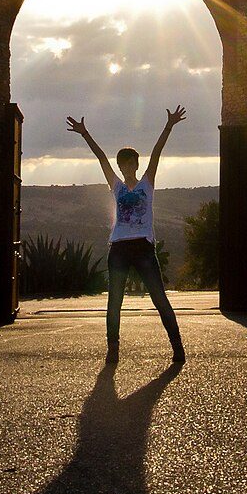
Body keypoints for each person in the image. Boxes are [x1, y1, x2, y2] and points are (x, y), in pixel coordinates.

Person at [65, 107, 187, 364]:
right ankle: (113, 347)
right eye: (122, 164)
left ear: (136, 165)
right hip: (119, 248)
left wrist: (169, 126)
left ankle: (177, 346)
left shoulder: (147, 184)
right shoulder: (116, 186)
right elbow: (101, 159)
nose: (125, 167)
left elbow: (157, 154)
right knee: (115, 301)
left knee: (159, 298)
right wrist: (85, 133)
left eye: (129, 163)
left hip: (143, 247)